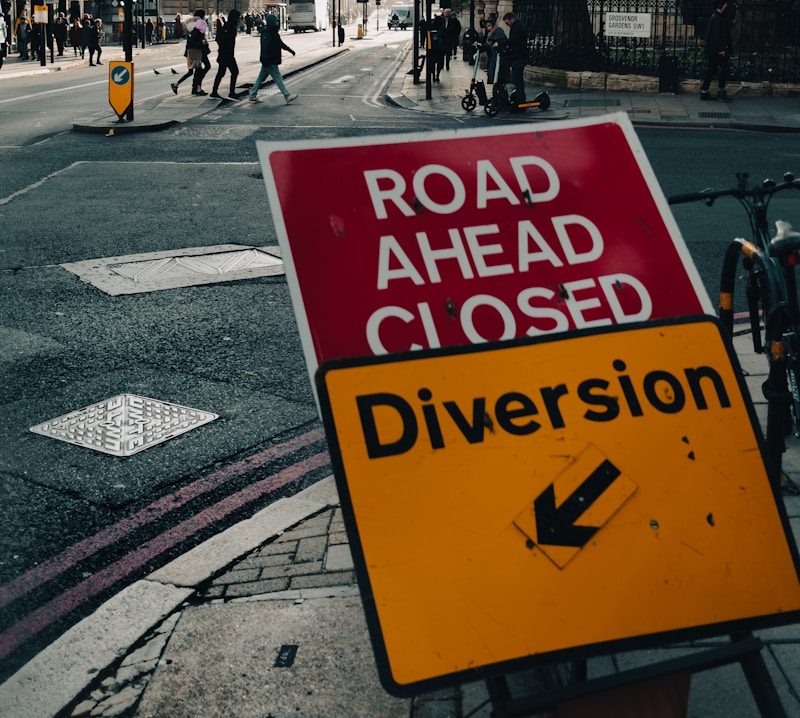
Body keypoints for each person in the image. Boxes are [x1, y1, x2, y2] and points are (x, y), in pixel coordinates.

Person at [249, 13, 297, 104]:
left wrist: (290, 50)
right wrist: (264, 58)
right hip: (270, 59)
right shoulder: (267, 32)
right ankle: (287, 95)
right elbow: (265, 47)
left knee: (260, 78)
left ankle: (252, 95)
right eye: (275, 21)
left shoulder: (273, 32)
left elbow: (280, 44)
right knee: (278, 78)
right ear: (271, 22)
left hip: (269, 59)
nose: (276, 23)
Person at [171, 10, 211, 96]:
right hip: (196, 51)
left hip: (192, 51)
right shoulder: (198, 28)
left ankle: (178, 84)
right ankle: (197, 88)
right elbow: (197, 41)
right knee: (200, 69)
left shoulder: (193, 27)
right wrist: (203, 42)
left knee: (192, 71)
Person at [700, 0, 732, 101]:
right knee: (724, 69)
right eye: (725, 4)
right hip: (717, 51)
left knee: (711, 70)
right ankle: (720, 92)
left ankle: (704, 91)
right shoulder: (717, 18)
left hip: (714, 50)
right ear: (721, 5)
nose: (726, 5)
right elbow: (716, 36)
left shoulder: (718, 17)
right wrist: (721, 50)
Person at [210, 8, 240, 99]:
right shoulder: (230, 27)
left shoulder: (228, 26)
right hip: (227, 54)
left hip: (224, 53)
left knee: (221, 73)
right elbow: (223, 40)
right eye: (238, 18)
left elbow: (219, 39)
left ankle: (214, 92)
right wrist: (224, 50)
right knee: (235, 72)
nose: (239, 20)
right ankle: (231, 93)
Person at [503, 12, 528, 103]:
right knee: (517, 79)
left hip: (518, 57)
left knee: (517, 79)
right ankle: (520, 97)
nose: (507, 25)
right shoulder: (517, 26)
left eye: (507, 22)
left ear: (512, 19)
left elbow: (513, 41)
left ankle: (520, 99)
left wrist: (502, 43)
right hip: (518, 56)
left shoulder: (517, 27)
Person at [480, 17, 506, 84]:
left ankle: (498, 89)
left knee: (496, 75)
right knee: (493, 74)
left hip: (497, 57)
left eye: (489, 26)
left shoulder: (498, 32)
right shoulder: (491, 33)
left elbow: (493, 43)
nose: (488, 28)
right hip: (493, 56)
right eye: (487, 26)